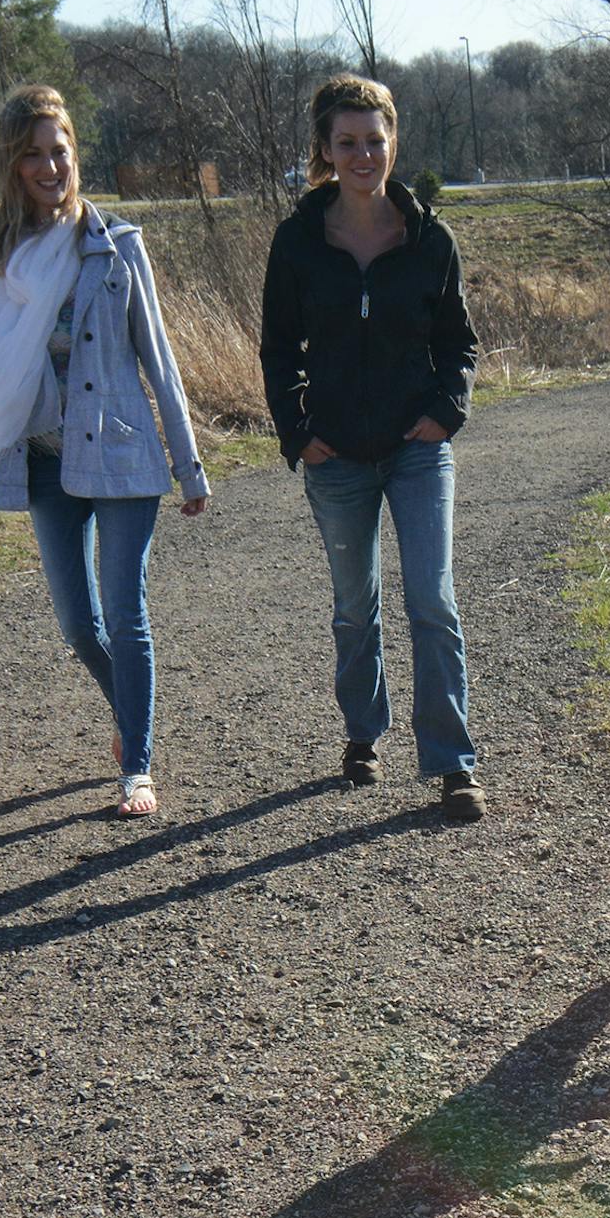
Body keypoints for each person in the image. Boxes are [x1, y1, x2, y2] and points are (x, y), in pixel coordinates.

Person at [0, 85, 209, 818]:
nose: (50, 166)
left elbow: (158, 359)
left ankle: (137, 764)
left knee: (124, 610)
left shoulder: (115, 247)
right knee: (77, 623)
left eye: (60, 150)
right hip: (43, 460)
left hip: (123, 454)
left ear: (76, 153)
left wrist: (189, 463)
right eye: (33, 154)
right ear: (13, 166)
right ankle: (129, 711)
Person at [259, 74, 486, 823]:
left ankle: (453, 762)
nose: (364, 154)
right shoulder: (298, 242)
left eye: (376, 140)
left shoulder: (429, 240)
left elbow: (458, 343)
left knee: (433, 598)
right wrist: (300, 433)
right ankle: (363, 733)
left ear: (394, 142)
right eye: (348, 142)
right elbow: (276, 348)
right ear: (325, 150)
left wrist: (446, 411)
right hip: (337, 457)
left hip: (417, 447)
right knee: (355, 607)